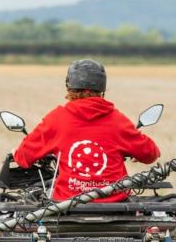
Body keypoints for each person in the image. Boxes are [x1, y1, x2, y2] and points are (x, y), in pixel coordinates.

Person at [13, 59, 160, 202]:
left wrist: (17, 153)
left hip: (66, 207)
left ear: (69, 87)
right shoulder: (118, 121)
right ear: (102, 89)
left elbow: (22, 157)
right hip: (114, 205)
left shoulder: (56, 119)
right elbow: (151, 154)